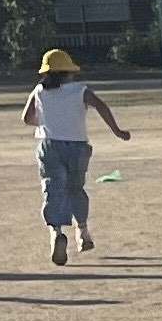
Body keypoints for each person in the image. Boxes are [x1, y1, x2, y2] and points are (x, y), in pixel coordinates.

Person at [22, 48, 131, 265]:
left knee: (53, 188)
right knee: (75, 188)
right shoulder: (81, 90)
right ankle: (83, 232)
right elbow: (101, 106)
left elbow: (27, 118)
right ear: (69, 72)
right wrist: (117, 131)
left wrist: (46, 121)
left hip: (50, 145)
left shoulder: (40, 91)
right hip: (77, 147)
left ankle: (56, 232)